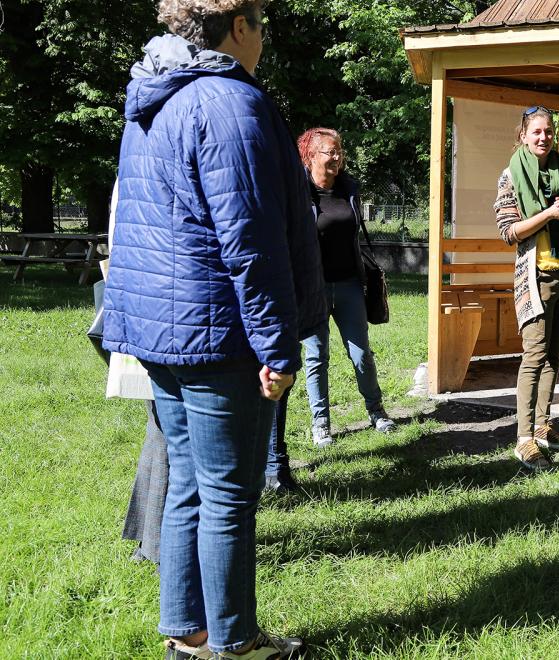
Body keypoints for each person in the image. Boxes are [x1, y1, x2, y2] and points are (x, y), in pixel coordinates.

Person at [103, 1, 325, 656]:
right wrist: (277, 347)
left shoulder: (155, 96)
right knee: (229, 496)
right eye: (262, 26)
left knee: (189, 487)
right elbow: (250, 244)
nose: (264, 41)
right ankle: (234, 642)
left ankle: (188, 633)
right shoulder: (230, 103)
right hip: (217, 334)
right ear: (239, 29)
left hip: (159, 331)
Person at [495, 106, 559, 470]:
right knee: (534, 356)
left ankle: (541, 426)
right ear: (523, 135)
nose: (543, 137)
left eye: (548, 132)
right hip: (535, 278)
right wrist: (548, 214)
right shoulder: (510, 176)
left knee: (555, 354)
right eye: (536, 132)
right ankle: (523, 440)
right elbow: (509, 232)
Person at [295, 127, 396, 449]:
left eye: (339, 151)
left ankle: (376, 412)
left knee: (361, 354)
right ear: (310, 156)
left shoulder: (349, 189)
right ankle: (320, 423)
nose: (337, 157)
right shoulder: (297, 191)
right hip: (313, 289)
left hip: (350, 284)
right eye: (330, 151)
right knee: (316, 356)